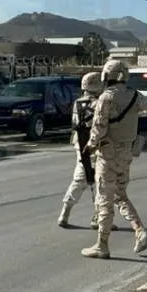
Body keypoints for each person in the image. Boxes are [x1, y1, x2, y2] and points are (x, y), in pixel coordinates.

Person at [83, 59, 147, 259]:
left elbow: (99, 127)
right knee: (120, 194)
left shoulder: (106, 98)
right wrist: (136, 146)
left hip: (108, 153)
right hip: (126, 154)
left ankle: (101, 245)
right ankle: (139, 230)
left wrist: (90, 144)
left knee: (104, 197)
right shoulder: (136, 96)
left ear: (106, 76)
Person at [59, 72, 107, 228]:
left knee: (80, 179)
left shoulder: (78, 102)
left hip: (80, 144)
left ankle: (65, 213)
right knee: (101, 181)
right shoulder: (99, 103)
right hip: (97, 145)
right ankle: (98, 217)